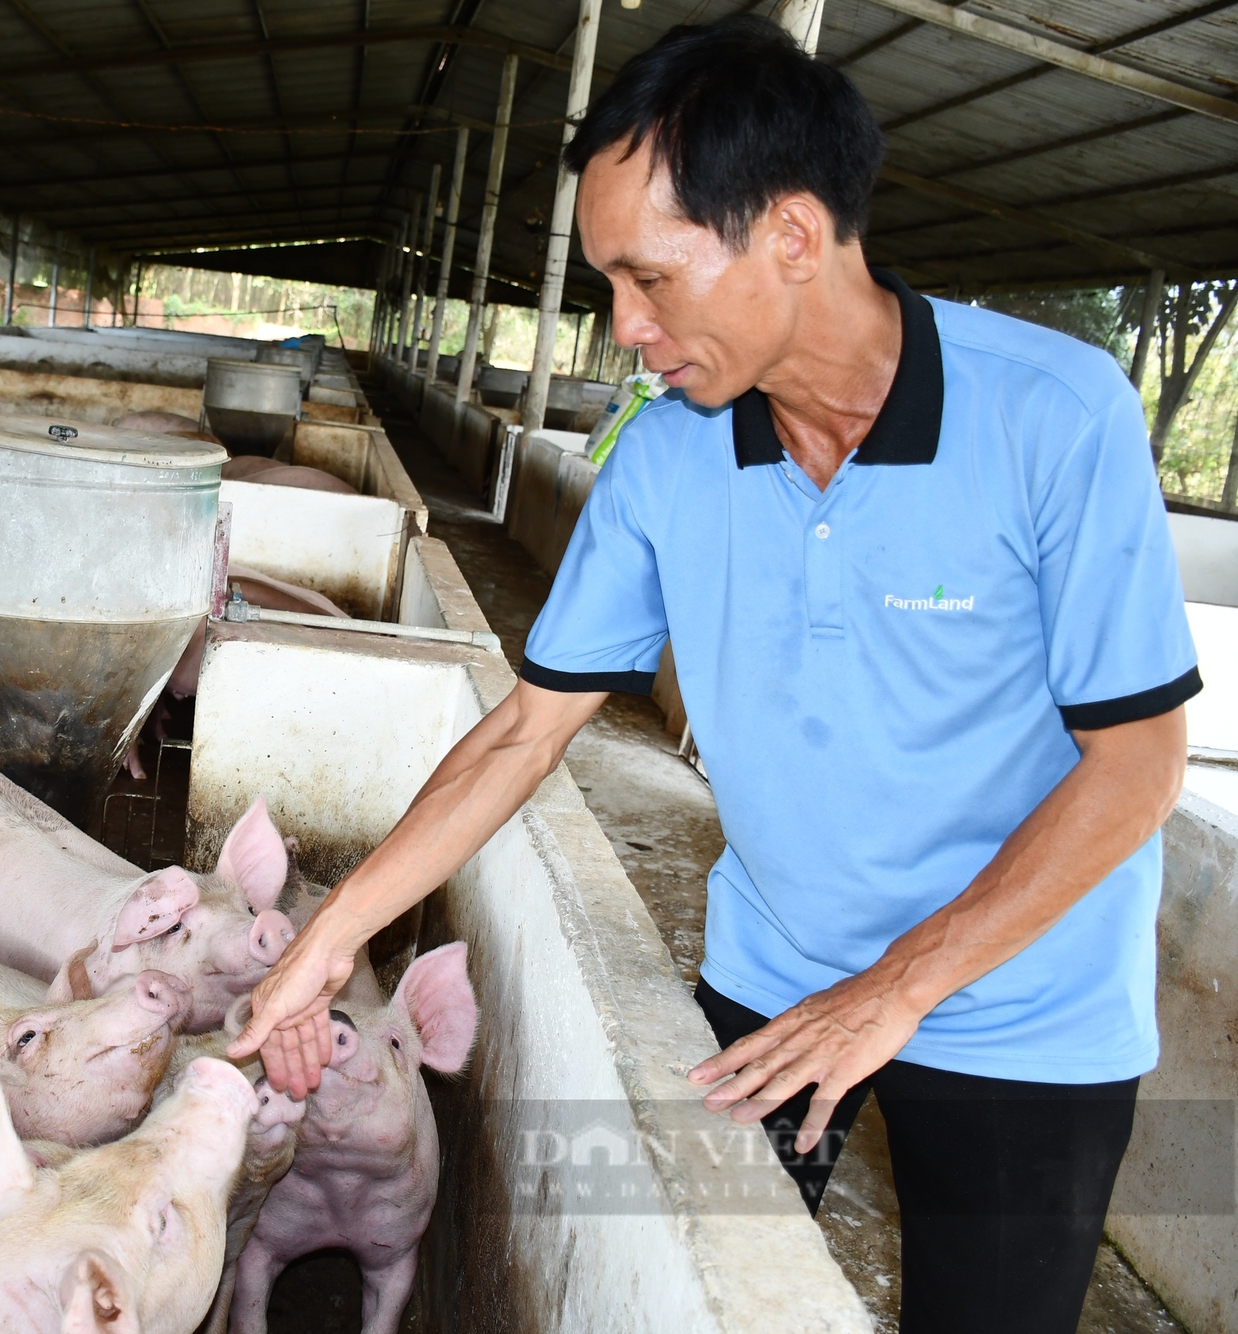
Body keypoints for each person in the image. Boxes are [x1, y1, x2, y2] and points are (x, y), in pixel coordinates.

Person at [227, 15, 1196, 1333]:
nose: (624, 328)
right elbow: (527, 730)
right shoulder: (667, 459)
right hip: (779, 961)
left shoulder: (1054, 417)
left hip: (1023, 1003)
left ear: (792, 236)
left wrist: (899, 987)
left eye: (650, 279)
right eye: (607, 286)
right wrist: (329, 940)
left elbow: (1139, 764)